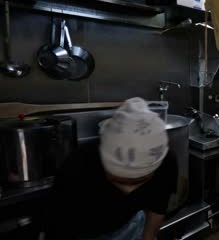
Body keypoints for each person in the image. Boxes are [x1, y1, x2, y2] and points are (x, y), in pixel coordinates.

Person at [47, 97, 176, 240]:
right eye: (118, 180)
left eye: (139, 181)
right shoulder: (77, 166)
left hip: (130, 225)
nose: (128, 188)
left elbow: (157, 206)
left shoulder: (164, 161)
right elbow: (58, 226)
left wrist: (148, 237)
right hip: (83, 232)